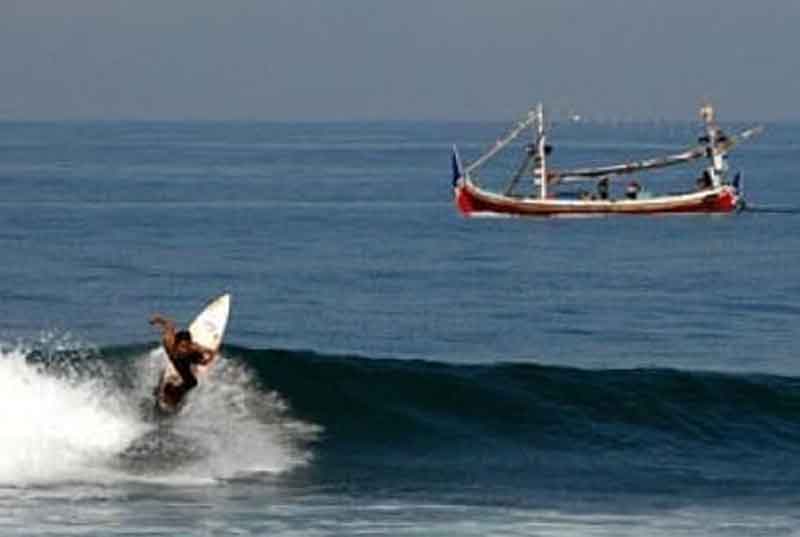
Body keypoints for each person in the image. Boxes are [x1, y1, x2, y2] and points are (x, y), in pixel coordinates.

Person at [150, 314, 215, 413]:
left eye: (186, 346)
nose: (184, 349)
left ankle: (177, 392)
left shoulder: (192, 349)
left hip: (186, 361)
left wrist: (208, 359)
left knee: (192, 383)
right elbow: (169, 325)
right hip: (176, 359)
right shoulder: (168, 343)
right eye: (182, 346)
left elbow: (209, 354)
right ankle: (164, 390)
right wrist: (158, 319)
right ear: (176, 344)